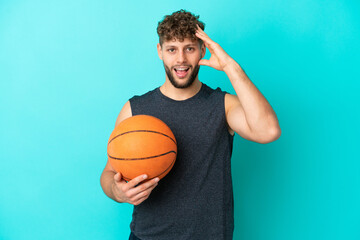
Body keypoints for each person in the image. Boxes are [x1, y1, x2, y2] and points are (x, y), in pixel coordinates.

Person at [100, 9, 281, 240]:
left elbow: (269, 130)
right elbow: (108, 173)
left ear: (202, 51)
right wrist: (118, 191)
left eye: (190, 48)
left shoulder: (223, 106)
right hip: (147, 236)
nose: (181, 59)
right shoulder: (135, 109)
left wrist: (230, 67)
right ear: (160, 52)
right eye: (172, 49)